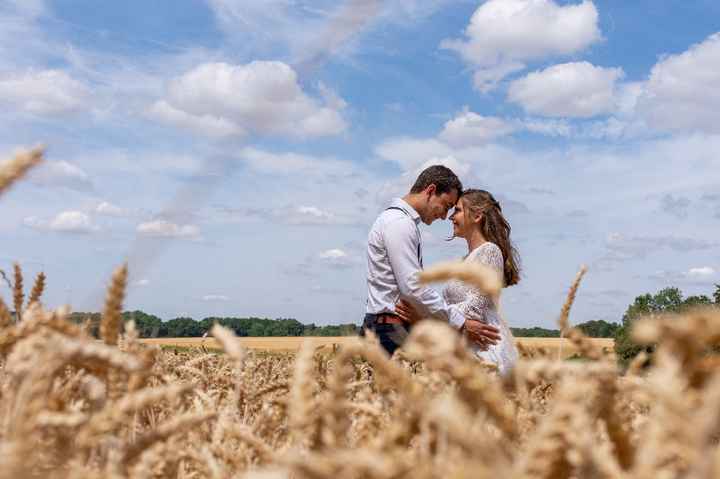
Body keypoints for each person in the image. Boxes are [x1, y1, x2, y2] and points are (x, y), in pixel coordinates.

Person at [362, 166, 501, 356]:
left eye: (453, 210)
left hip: (388, 328)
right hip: (390, 332)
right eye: (446, 206)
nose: (445, 216)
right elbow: (413, 287)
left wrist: (426, 318)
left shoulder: (396, 221)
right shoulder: (400, 224)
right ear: (430, 191)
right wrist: (460, 323)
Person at [396, 189, 521, 374]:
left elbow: (475, 308)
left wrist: (426, 317)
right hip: (462, 344)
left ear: (477, 216)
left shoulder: (490, 251)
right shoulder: (466, 260)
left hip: (484, 349)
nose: (450, 217)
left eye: (457, 210)